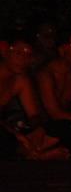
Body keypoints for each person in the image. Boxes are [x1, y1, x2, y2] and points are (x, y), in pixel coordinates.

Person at [0, 30, 67, 160]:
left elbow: (33, 114)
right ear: (5, 51)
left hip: (8, 128)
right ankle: (33, 153)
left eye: (28, 55)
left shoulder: (21, 80)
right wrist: (15, 134)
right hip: (4, 130)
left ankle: (32, 149)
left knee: (61, 128)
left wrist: (38, 128)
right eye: (18, 52)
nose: (23, 59)